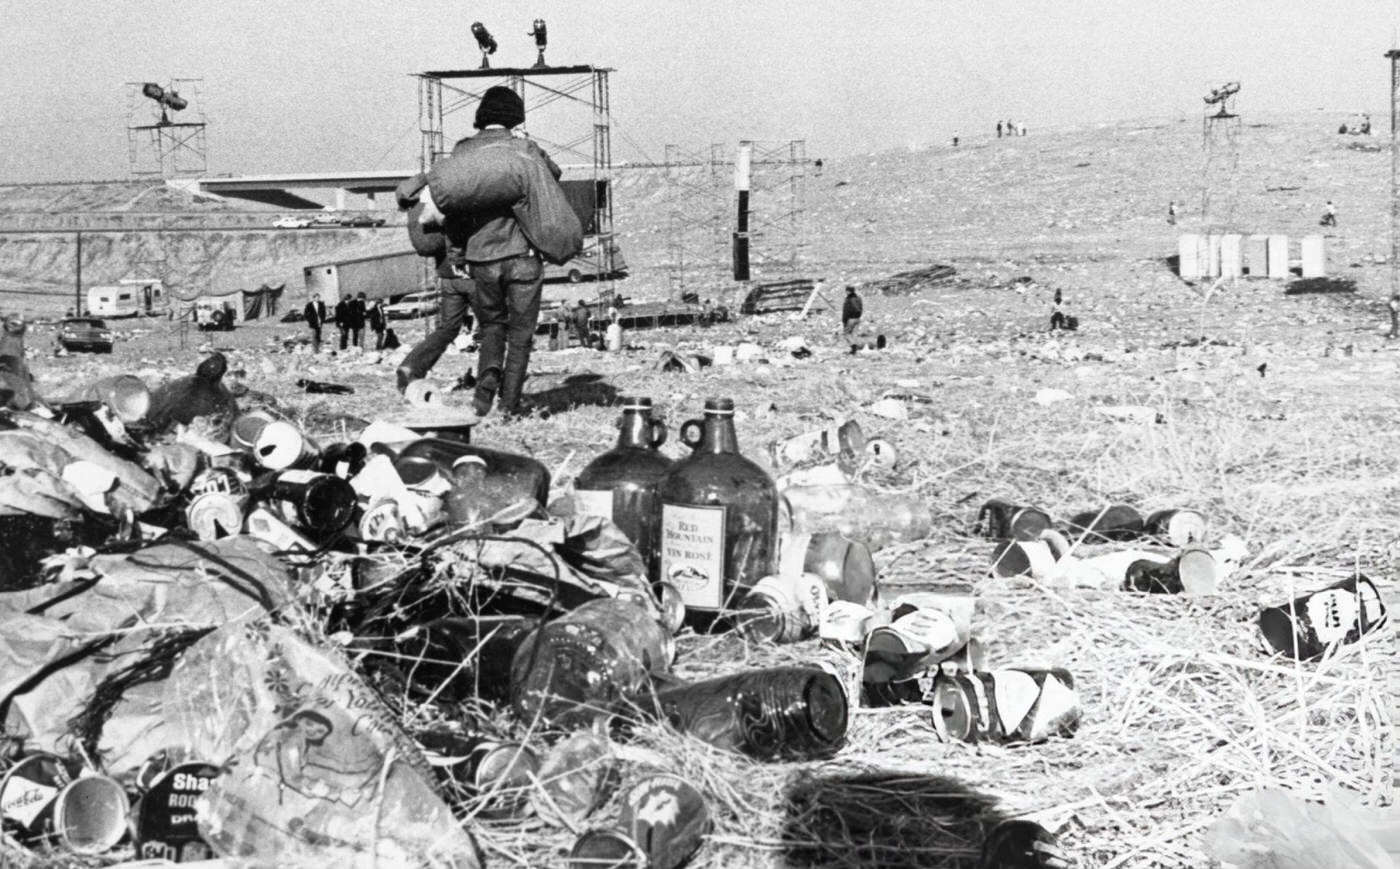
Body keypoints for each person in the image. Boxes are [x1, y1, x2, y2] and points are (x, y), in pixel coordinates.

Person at [397, 86, 564, 418]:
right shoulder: (523, 150)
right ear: (515, 118)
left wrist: (458, 257)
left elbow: (449, 202)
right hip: (522, 257)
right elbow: (554, 177)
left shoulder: (462, 153)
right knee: (521, 335)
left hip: (481, 259)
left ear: (481, 118)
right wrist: (533, 145)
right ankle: (510, 405)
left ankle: (484, 389)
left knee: (492, 326)